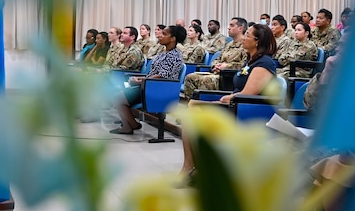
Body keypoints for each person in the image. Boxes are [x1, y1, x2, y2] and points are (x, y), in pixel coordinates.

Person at [180, 23, 278, 174]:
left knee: (193, 112)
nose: (244, 38)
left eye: (248, 35)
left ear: (257, 41)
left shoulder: (264, 63)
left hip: (247, 110)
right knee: (192, 106)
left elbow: (247, 94)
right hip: (235, 105)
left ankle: (191, 167)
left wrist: (227, 98)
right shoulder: (251, 60)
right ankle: (194, 167)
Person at [110, 25, 186, 134]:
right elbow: (153, 74)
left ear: (173, 38)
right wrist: (140, 78)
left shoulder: (175, 55)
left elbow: (162, 76)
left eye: (164, 34)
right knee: (117, 95)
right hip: (149, 86)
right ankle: (131, 125)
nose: (159, 36)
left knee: (118, 99)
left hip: (157, 89)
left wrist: (141, 81)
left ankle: (131, 125)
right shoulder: (164, 53)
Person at [181, 17, 248, 99]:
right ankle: (191, 106)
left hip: (230, 77)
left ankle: (203, 108)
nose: (228, 27)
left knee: (205, 80)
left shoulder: (246, 45)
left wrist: (227, 66)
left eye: (232, 25)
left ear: (240, 28)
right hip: (217, 73)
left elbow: (245, 65)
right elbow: (217, 59)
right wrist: (216, 65)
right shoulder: (229, 44)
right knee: (190, 77)